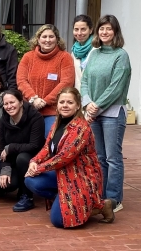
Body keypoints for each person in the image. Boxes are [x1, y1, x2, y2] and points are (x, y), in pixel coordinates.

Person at [25, 87, 116, 228]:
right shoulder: (57, 124)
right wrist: (34, 161)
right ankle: (66, 203)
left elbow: (63, 157)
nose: (65, 105)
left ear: (78, 105)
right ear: (57, 105)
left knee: (59, 221)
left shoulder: (81, 127)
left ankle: (101, 206)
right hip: (63, 174)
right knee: (31, 181)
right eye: (62, 102)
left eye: (70, 102)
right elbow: (47, 148)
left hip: (81, 178)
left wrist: (39, 168)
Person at [80, 15, 131, 212]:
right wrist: (87, 104)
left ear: (115, 32)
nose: (104, 32)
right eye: (102, 29)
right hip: (93, 112)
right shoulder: (94, 53)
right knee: (99, 157)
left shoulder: (121, 55)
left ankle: (114, 199)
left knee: (112, 158)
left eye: (109, 29)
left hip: (112, 113)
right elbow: (84, 81)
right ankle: (100, 197)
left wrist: (96, 107)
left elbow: (116, 87)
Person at [17, 24, 75, 136]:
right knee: (29, 143)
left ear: (57, 39)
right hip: (29, 110)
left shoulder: (64, 57)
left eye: (51, 37)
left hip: (53, 111)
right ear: (38, 39)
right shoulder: (28, 57)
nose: (47, 40)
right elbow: (21, 80)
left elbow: (66, 82)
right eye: (44, 37)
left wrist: (45, 101)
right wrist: (34, 99)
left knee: (50, 141)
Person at [0, 89, 45, 211]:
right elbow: (2, 148)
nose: (9, 106)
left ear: (21, 102)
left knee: (22, 157)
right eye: (6, 104)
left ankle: (27, 197)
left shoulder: (35, 117)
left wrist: (11, 147)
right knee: (6, 185)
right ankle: (19, 186)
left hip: (33, 158)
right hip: (13, 159)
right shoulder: (4, 119)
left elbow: (35, 145)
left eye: (12, 102)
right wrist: (5, 168)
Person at [71, 15, 94, 91]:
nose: (79, 33)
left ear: (90, 30)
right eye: (76, 29)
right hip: (77, 96)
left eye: (83, 29)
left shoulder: (98, 49)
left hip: (93, 96)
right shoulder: (74, 52)